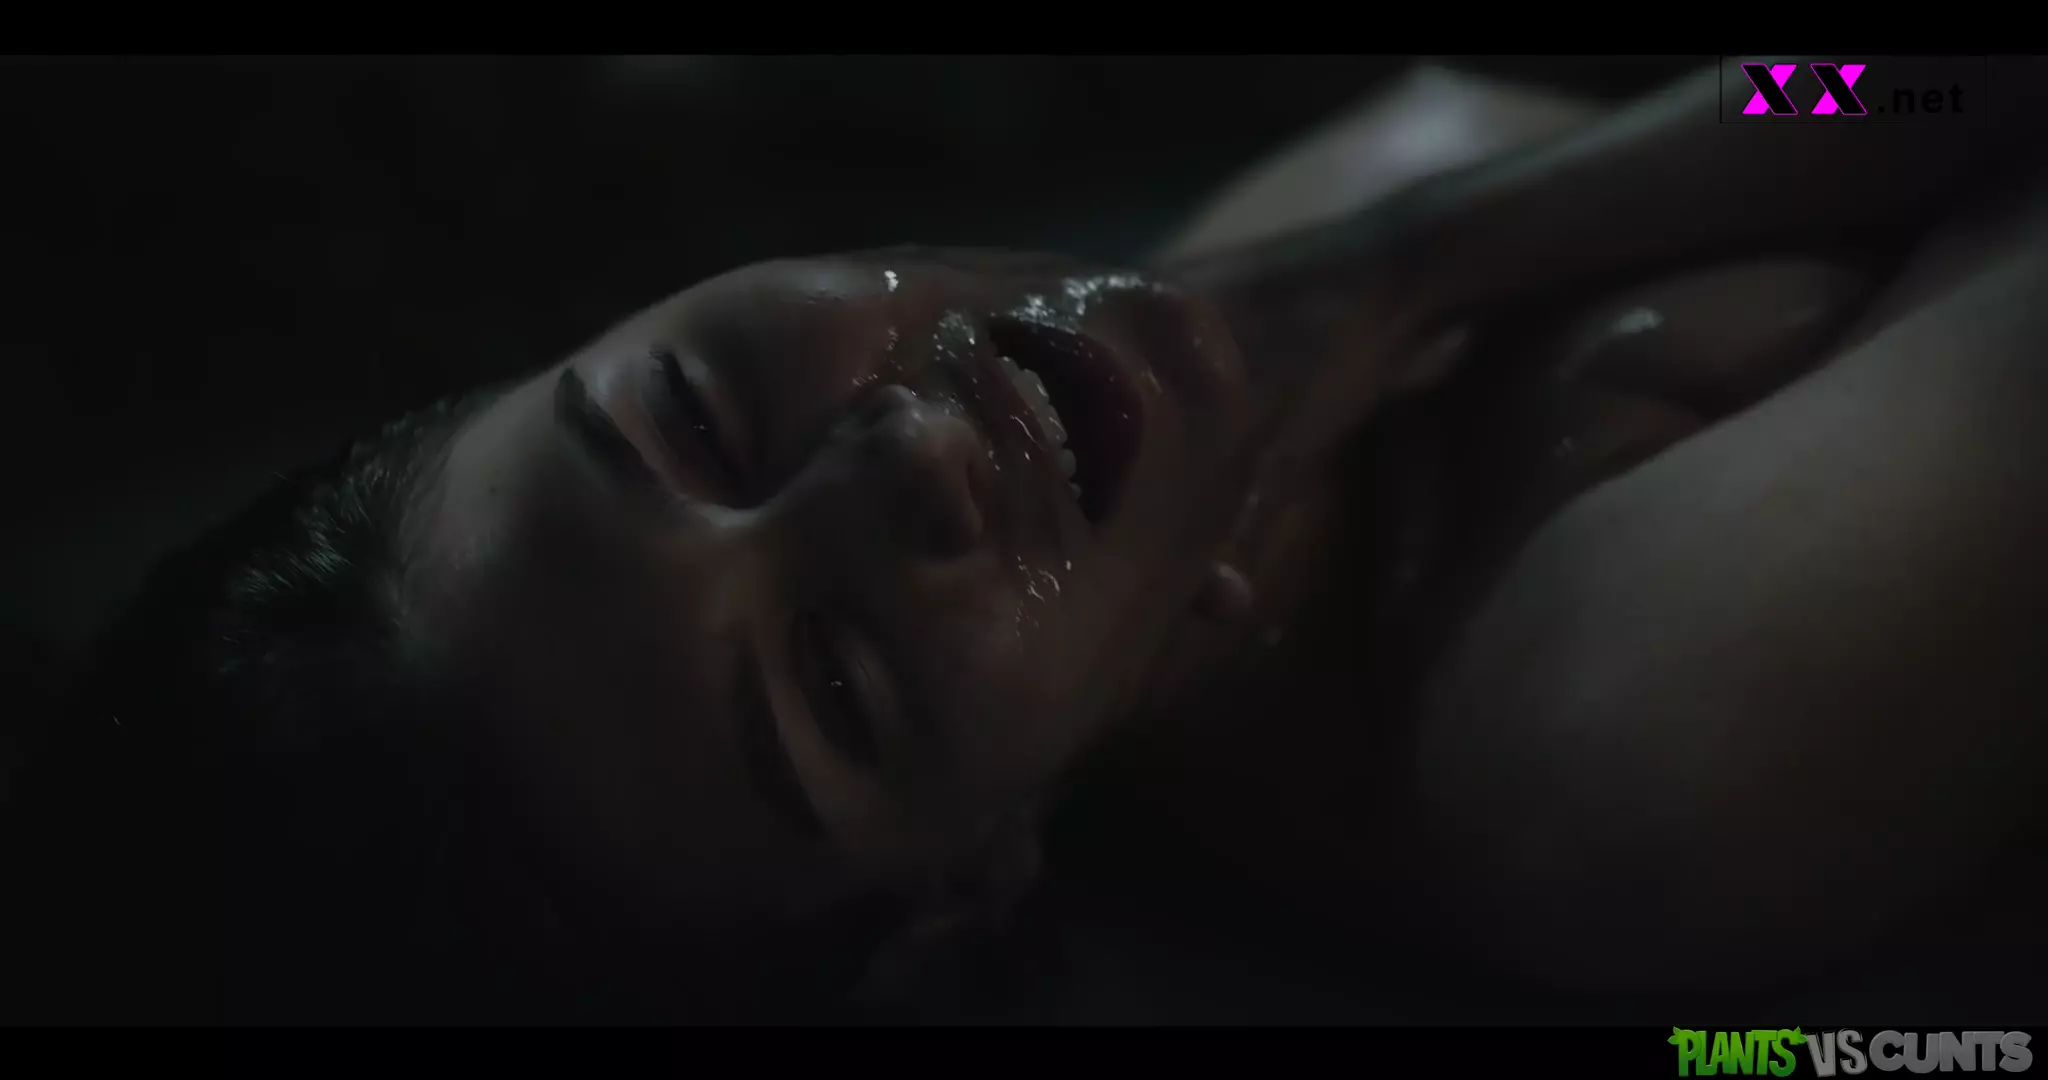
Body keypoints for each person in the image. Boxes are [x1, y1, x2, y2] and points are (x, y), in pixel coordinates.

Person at [5, 57, 2042, 1024]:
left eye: (697, 413)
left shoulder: (1263, 241)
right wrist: (1407, 261)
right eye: (835, 686)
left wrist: (1367, 264)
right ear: (959, 891)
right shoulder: (1622, 758)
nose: (894, 464)